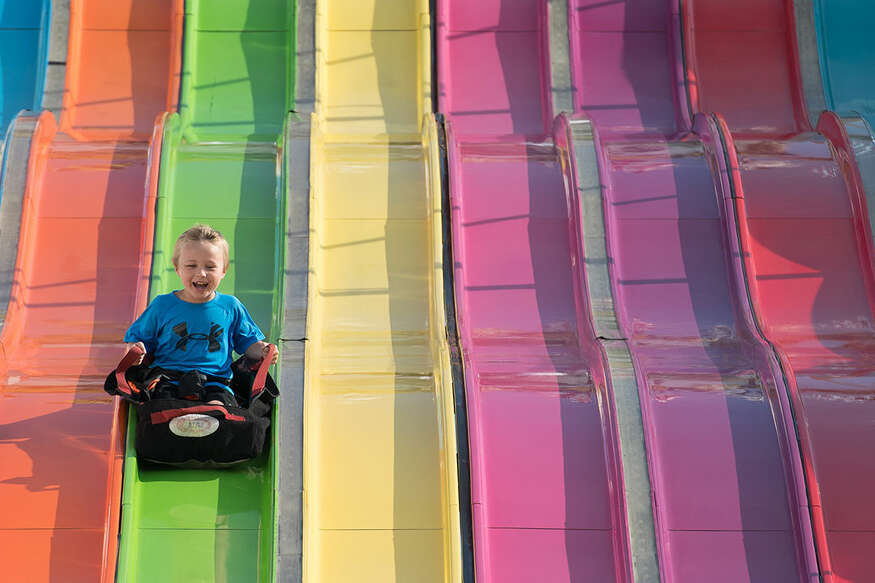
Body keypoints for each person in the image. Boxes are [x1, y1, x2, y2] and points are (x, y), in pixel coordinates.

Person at [124, 224, 278, 406]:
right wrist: (135, 351)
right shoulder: (162, 305)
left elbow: (249, 345)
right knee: (165, 406)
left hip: (216, 381)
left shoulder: (230, 306)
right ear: (177, 267)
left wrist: (263, 350)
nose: (201, 273)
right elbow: (135, 342)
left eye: (210, 266)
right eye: (191, 265)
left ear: (224, 270)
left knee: (219, 408)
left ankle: (206, 422)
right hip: (168, 378)